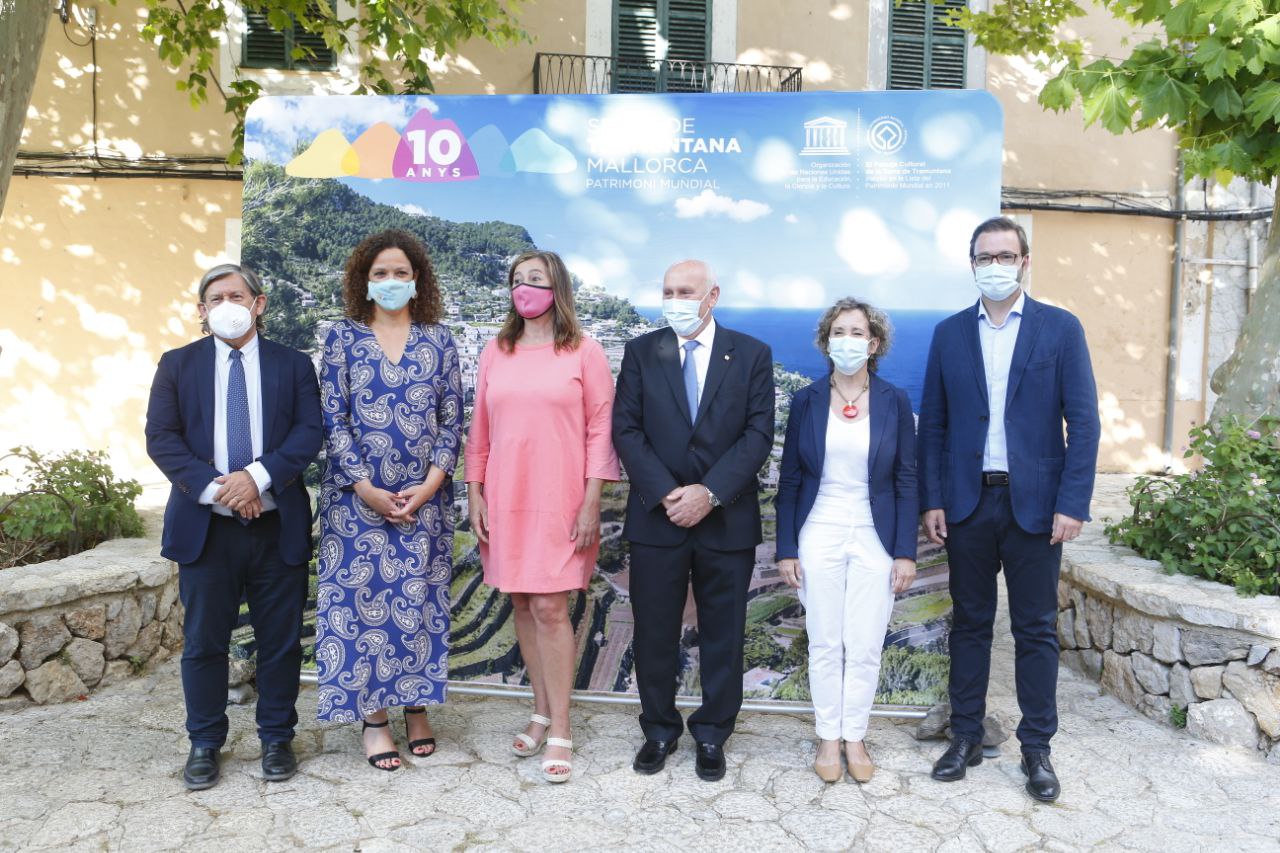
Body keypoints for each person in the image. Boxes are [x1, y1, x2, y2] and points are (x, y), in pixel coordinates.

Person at [918, 216, 1100, 803]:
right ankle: (965, 736)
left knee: (1036, 631)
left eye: (1005, 255)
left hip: (1037, 509)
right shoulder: (949, 334)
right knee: (969, 625)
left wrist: (1072, 502)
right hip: (968, 504)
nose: (994, 265)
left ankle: (1036, 749)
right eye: (984, 256)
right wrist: (933, 499)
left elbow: (1085, 424)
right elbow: (936, 426)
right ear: (972, 264)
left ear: (1025, 262)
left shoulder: (1060, 330)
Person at [145, 263, 322, 791]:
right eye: (215, 297)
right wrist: (221, 488)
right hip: (207, 529)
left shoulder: (293, 365)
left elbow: (309, 431)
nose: (227, 304)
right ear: (201, 311)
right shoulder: (177, 365)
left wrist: (257, 477)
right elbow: (162, 437)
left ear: (258, 303)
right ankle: (204, 742)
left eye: (237, 295)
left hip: (276, 527)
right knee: (203, 643)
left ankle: (276, 738)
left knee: (282, 642)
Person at [612, 259, 775, 782]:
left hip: (726, 520)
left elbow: (757, 435)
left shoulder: (752, 354)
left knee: (724, 634)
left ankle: (712, 734)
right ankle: (659, 729)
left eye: (686, 291)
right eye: (667, 291)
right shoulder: (641, 351)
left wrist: (709, 493)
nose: (675, 299)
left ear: (713, 296)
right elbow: (627, 430)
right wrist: (667, 494)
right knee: (654, 632)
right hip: (658, 520)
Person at [465, 250, 619, 784]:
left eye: (536, 279)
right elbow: (479, 430)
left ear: (558, 289)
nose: (523, 288)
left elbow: (602, 429)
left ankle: (562, 727)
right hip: (506, 495)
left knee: (552, 606)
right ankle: (538, 709)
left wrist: (592, 499)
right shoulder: (495, 351)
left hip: (562, 497)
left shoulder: (585, 352)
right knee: (524, 604)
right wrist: (475, 492)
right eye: (516, 280)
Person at [314, 229, 463, 771]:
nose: (392, 281)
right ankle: (374, 718)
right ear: (364, 281)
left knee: (419, 604)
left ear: (417, 279)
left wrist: (426, 488)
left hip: (425, 502)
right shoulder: (342, 339)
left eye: (401, 272)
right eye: (381, 273)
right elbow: (333, 419)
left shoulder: (439, 341)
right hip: (357, 504)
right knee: (363, 607)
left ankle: (417, 710)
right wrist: (365, 489)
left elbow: (452, 421)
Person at [775, 298, 918, 784]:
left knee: (865, 641)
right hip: (821, 527)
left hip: (876, 533)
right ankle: (828, 737)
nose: (847, 340)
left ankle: (855, 735)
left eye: (857, 332)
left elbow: (906, 479)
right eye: (839, 331)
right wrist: (787, 548)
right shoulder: (806, 401)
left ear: (874, 343)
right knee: (825, 640)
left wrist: (905, 552)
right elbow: (790, 480)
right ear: (825, 340)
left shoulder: (896, 400)